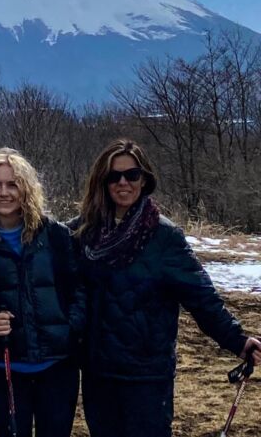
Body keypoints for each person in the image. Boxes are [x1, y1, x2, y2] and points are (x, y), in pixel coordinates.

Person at [73, 138, 261, 437]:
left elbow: (203, 299)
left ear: (144, 179)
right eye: (114, 176)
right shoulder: (82, 233)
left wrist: (238, 340)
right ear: (102, 182)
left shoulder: (165, 237)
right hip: (99, 375)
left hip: (148, 378)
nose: (123, 182)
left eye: (131, 175)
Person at [0, 147, 85, 437]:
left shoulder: (55, 235)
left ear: (26, 188)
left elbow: (80, 289)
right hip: (6, 368)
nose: (4, 192)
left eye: (12, 184)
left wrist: (70, 328)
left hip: (58, 366)